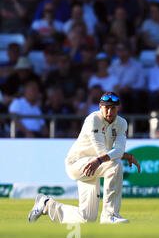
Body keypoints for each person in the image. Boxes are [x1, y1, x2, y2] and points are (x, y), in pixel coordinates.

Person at [28, 92, 141, 224]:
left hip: (95, 165)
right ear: (100, 107)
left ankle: (46, 204)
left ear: (118, 108)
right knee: (115, 165)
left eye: (113, 108)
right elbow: (101, 151)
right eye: (106, 107)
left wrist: (120, 156)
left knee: (86, 218)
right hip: (76, 164)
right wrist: (110, 158)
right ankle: (110, 215)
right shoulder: (93, 120)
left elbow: (119, 149)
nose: (109, 111)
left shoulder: (122, 123)